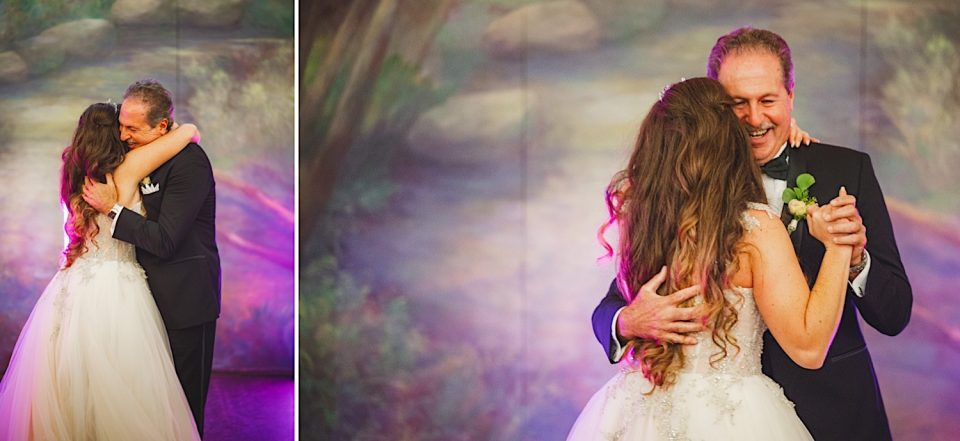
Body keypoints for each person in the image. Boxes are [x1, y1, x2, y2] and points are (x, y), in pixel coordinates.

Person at [591, 27, 912, 440]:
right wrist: (626, 321)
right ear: (718, 107)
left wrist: (853, 260)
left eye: (768, 100)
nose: (756, 118)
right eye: (739, 103)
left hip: (832, 410)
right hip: (711, 417)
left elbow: (894, 312)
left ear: (791, 95)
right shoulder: (675, 194)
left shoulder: (845, 171)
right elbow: (619, 297)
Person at [568, 76, 852, 440]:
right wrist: (838, 246)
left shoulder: (643, 222)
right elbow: (809, 347)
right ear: (728, 142)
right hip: (732, 417)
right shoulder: (755, 230)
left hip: (638, 410)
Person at [0, 102, 201, 440]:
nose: (126, 134)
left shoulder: (71, 173)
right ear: (113, 135)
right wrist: (185, 128)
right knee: (123, 385)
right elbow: (187, 134)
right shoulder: (128, 168)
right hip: (117, 284)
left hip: (72, 283)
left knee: (63, 379)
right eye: (121, 128)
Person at [82, 79, 221, 436]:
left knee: (183, 409)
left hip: (184, 300)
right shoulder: (134, 158)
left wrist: (113, 210)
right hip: (141, 302)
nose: (123, 135)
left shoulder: (190, 163)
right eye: (121, 126)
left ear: (161, 126)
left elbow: (166, 240)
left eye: (132, 129)